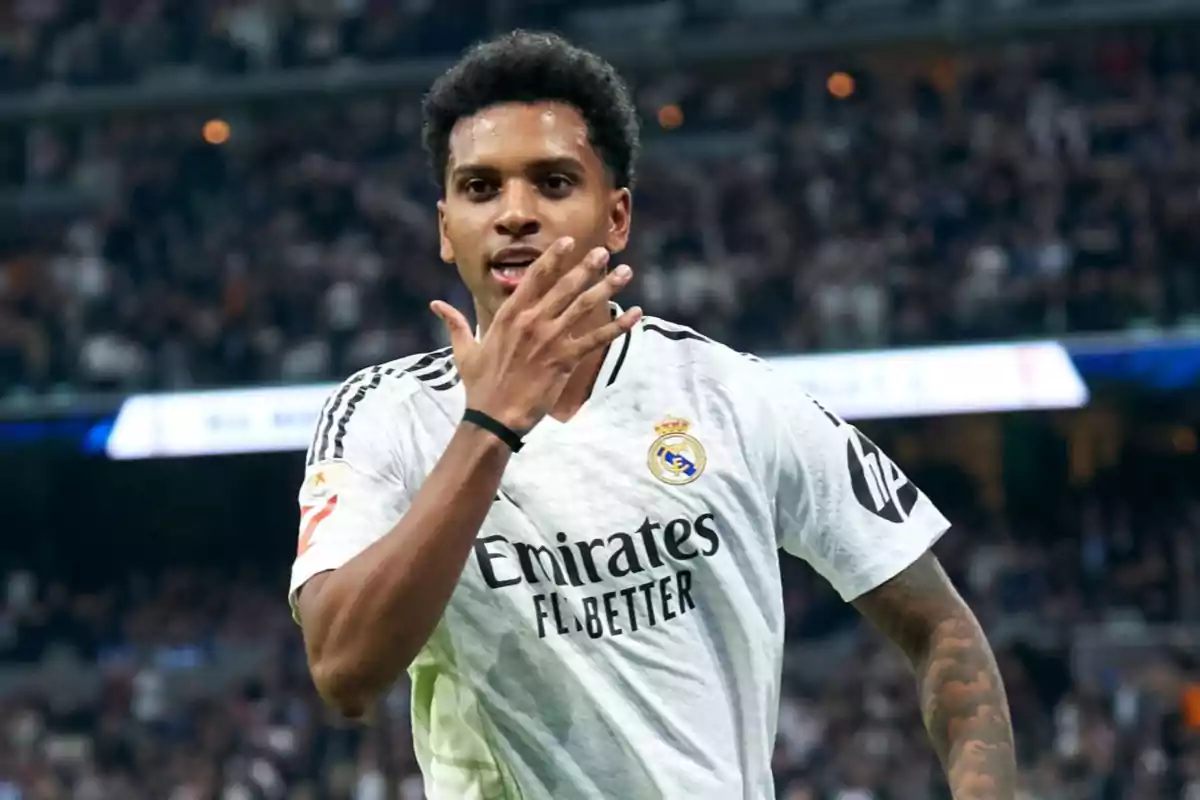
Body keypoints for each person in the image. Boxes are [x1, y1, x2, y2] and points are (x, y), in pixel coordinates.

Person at [288, 30, 1015, 800]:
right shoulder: (383, 417)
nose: (515, 214)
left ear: (617, 216)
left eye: (554, 182)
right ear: (445, 230)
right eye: (481, 189)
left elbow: (943, 629)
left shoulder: (730, 396)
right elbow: (343, 670)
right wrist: (492, 425)